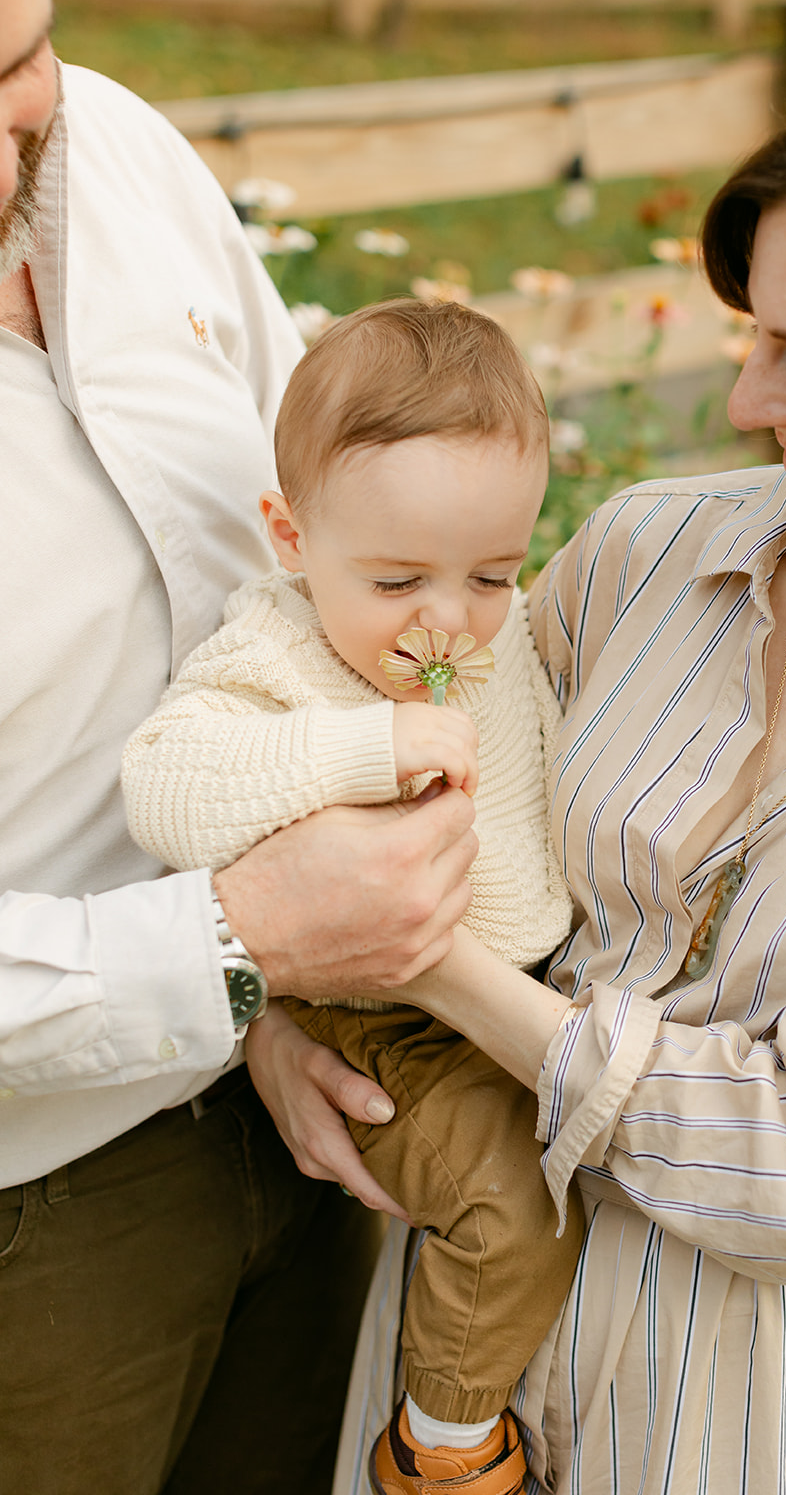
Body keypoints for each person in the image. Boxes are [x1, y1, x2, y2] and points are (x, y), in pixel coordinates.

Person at [327, 36, 786, 1494]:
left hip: (744, 1421)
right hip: (439, 1357)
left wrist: (430, 968)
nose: (741, 401)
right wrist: (291, 1032)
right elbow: (392, 795)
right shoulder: (643, 554)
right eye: (749, 337)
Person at [0, 0, 477, 1492]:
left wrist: (282, 994)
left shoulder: (113, 153)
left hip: (291, 1100)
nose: (16, 157)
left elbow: (308, 520)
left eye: (19, 54)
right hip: (36, 1211)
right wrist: (234, 940)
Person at [121, 298, 584, 1495]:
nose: (445, 618)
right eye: (394, 578)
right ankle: (437, 1444)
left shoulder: (496, 635)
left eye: (491, 570)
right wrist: (361, 750)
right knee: (507, 1203)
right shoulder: (274, 654)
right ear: (290, 534)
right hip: (380, 1014)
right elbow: (163, 791)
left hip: (507, 988)